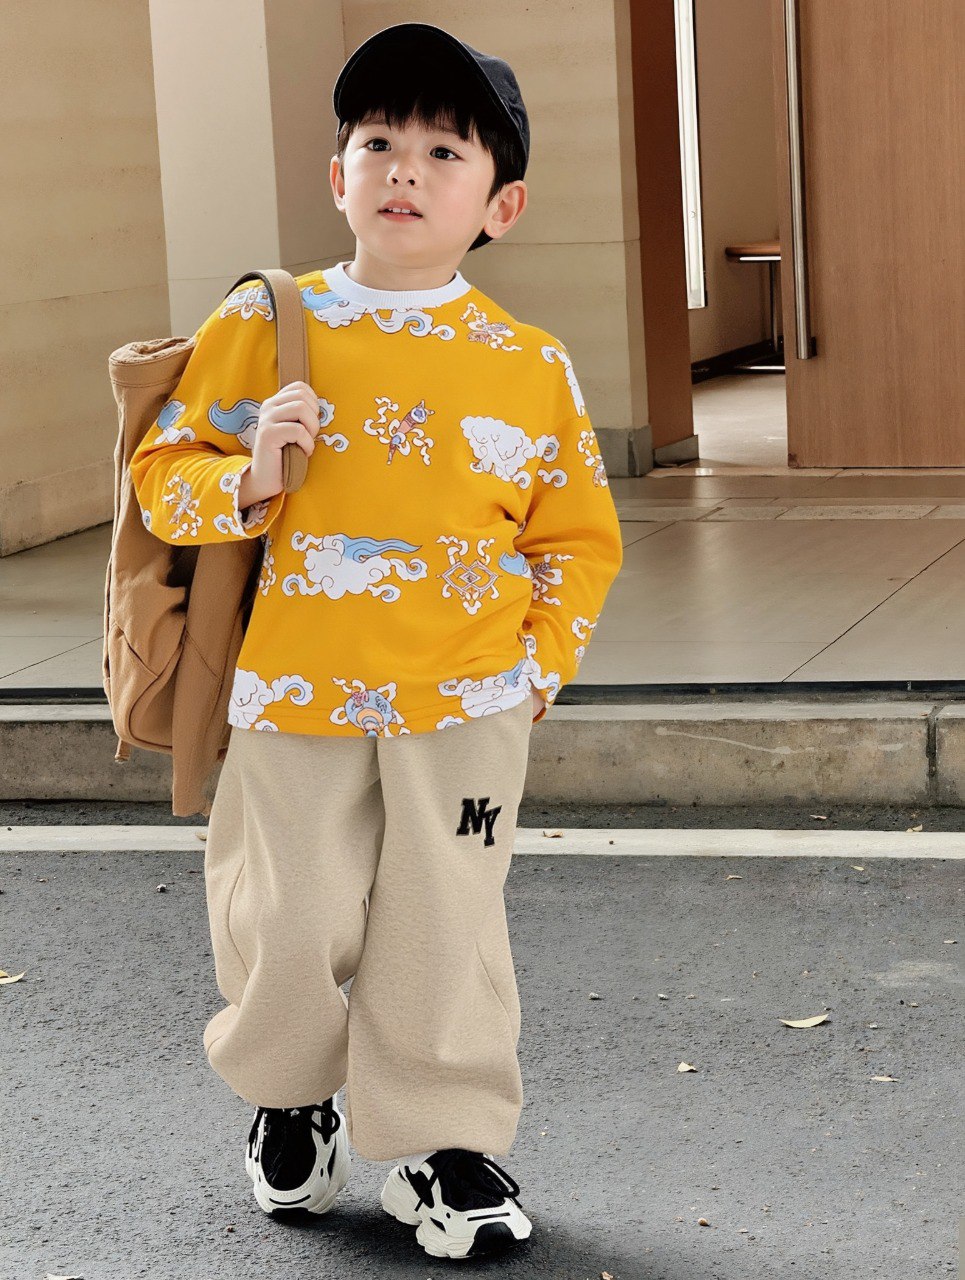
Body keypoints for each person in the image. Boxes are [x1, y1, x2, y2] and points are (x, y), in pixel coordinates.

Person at [129, 20, 623, 1262]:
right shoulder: (267, 321)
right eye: (377, 140)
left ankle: (443, 1142)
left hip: (465, 703)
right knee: (287, 914)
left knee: (443, 923)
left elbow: (575, 537)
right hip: (295, 693)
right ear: (337, 175)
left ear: (500, 205)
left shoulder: (528, 364)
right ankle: (290, 1094)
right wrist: (248, 474)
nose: (404, 165)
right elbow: (161, 475)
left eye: (444, 150)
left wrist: (534, 671)